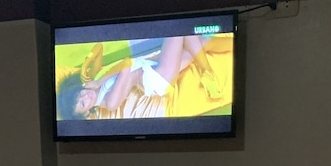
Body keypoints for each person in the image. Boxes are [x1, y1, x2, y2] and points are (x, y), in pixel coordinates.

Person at [57, 34, 232, 121]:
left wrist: (88, 63)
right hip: (159, 78)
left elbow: (99, 47)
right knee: (178, 33)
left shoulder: (95, 87)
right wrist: (97, 81)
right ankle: (209, 72)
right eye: (82, 103)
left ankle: (229, 52)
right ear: (87, 113)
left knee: (199, 42)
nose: (86, 97)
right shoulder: (109, 102)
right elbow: (126, 67)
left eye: (80, 94)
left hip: (151, 67)